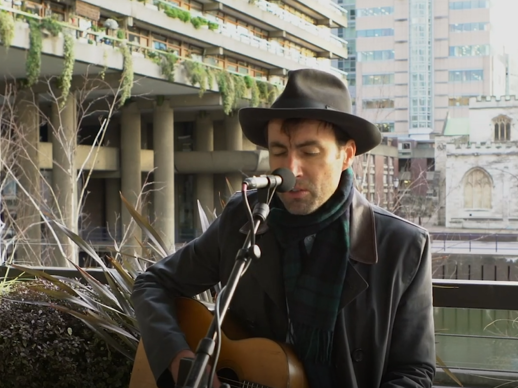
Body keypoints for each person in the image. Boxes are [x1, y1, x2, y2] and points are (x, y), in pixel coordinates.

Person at [131, 68, 436, 388]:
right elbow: (152, 284)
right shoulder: (244, 218)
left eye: (309, 152)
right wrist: (179, 359)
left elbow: (414, 372)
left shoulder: (402, 247)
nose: (290, 169)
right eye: (279, 151)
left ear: (346, 155)